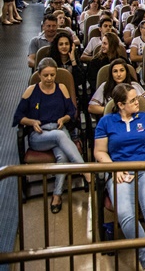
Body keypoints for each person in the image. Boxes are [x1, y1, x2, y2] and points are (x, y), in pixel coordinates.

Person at [94, 83, 145, 271]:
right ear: (120, 105)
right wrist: (113, 168)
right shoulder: (106, 122)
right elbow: (99, 152)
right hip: (121, 171)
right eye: (133, 100)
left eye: (137, 99)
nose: (138, 102)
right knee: (126, 215)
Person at [13, 58, 87, 213]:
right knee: (60, 136)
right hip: (40, 135)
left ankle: (57, 195)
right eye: (45, 75)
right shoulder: (31, 90)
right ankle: (85, 170)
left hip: (58, 129)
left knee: (62, 156)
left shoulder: (62, 88)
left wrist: (64, 118)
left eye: (52, 75)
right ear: (39, 75)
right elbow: (18, 116)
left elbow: (71, 112)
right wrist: (32, 122)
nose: (49, 78)